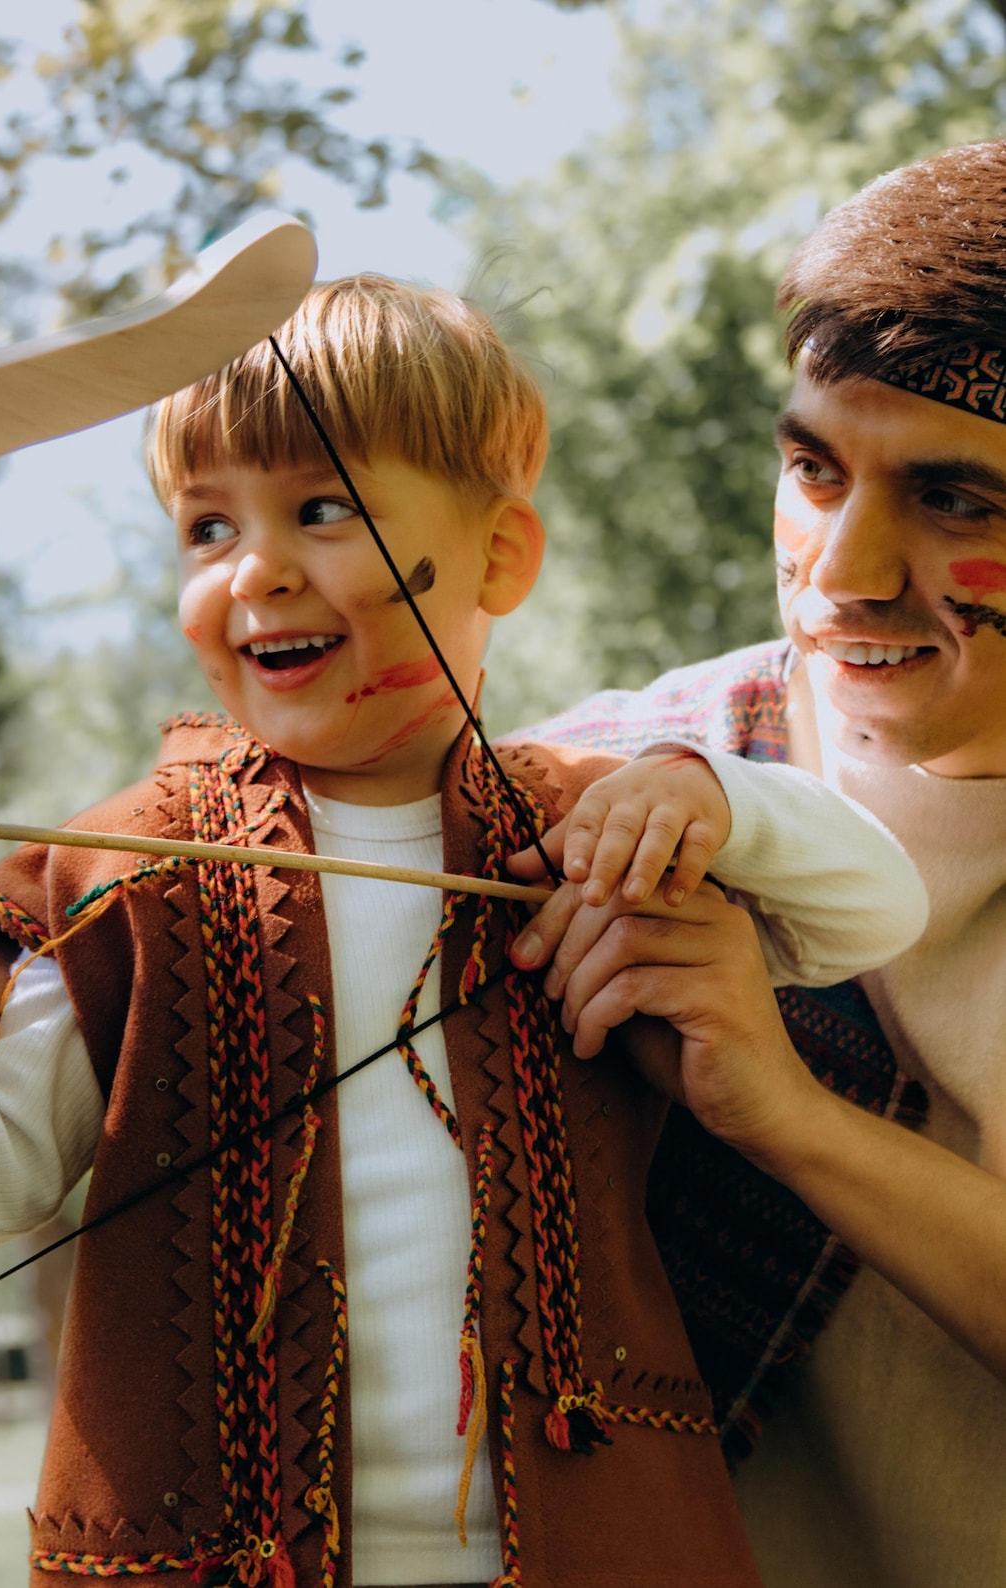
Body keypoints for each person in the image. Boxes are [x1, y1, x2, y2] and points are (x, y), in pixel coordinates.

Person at [0, 277, 925, 1588]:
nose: (256, 569)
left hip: (605, 1535)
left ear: (501, 557)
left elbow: (875, 904)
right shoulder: (139, 868)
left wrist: (709, 796)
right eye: (206, 526)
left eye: (323, 509)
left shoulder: (595, 822)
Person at [516, 139, 1006, 1588]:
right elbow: (148, 955)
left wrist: (788, 1117)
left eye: (956, 500)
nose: (842, 573)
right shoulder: (631, 778)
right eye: (811, 470)